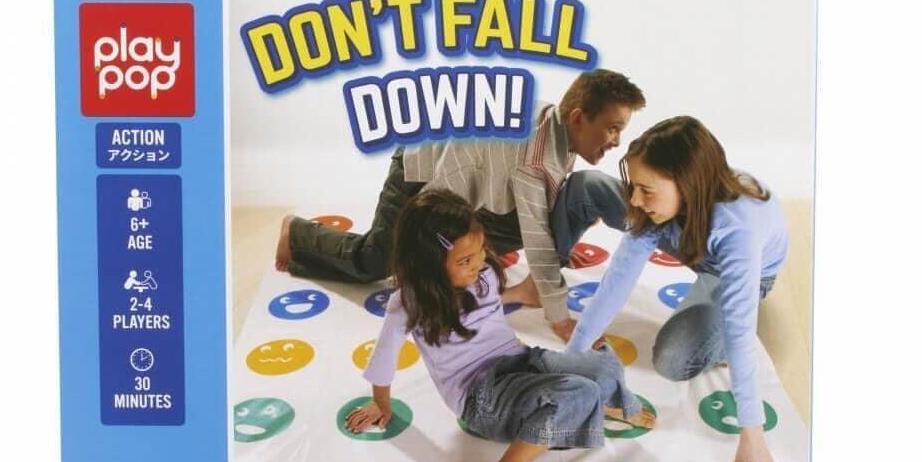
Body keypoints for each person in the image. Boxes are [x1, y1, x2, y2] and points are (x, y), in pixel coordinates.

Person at [345, 189, 655, 462]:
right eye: (465, 261)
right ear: (429, 266)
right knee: (581, 393)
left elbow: (484, 305)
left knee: (604, 362)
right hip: (480, 396)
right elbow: (385, 355)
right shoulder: (411, 303)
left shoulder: (485, 273)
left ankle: (601, 405)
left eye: (480, 251)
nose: (478, 263)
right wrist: (381, 402)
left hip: (520, 359)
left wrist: (518, 295)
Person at [275, 69, 646, 343]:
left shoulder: (557, 127)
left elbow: (544, 204)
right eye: (613, 128)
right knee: (377, 262)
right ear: (578, 118)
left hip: (471, 180)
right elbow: (535, 236)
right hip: (421, 171)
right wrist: (560, 318)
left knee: (536, 222)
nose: (617, 141)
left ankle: (461, 261)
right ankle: (297, 233)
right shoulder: (534, 158)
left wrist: (563, 232)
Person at [565, 115, 790, 462]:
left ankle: (721, 317)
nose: (635, 200)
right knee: (590, 189)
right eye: (633, 187)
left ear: (686, 184)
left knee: (673, 360)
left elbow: (740, 333)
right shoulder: (659, 207)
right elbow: (616, 282)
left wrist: (752, 434)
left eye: (646, 190)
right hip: (692, 238)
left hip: (739, 270)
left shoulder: (737, 230)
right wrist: (572, 359)